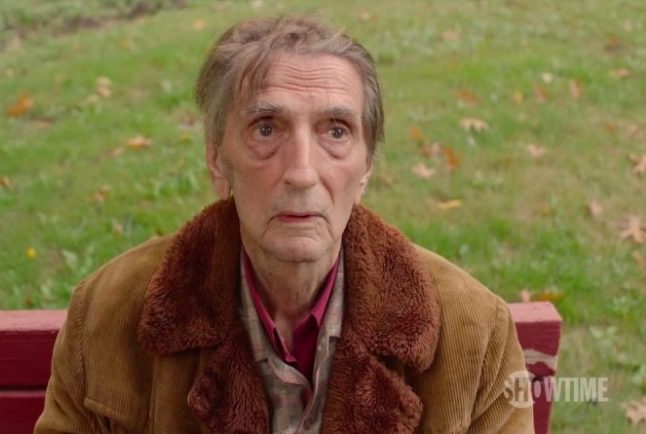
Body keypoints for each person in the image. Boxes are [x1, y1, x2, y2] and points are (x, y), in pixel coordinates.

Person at [35, 15, 533, 434]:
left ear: (366, 168)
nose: (301, 172)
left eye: (335, 131)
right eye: (266, 129)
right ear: (217, 160)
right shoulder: (107, 313)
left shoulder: (475, 333)